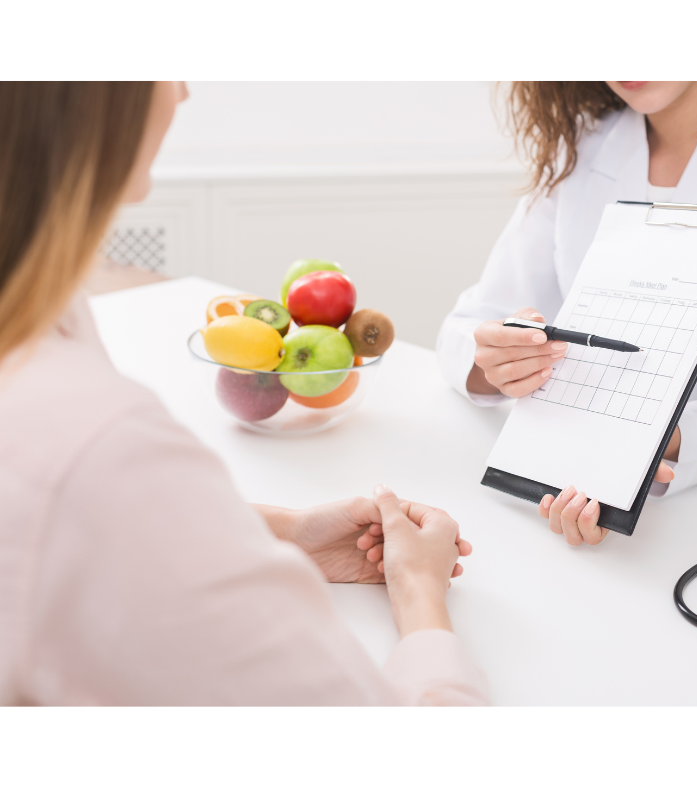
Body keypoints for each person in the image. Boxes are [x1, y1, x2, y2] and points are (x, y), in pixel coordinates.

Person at [0, 82, 486, 705]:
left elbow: (74, 539)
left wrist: (285, 533)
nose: (180, 91)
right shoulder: (96, 441)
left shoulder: (46, 321)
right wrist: (420, 596)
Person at [438, 81, 697, 546]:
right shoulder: (581, 147)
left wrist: (635, 438)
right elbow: (468, 327)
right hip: (592, 487)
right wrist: (498, 362)